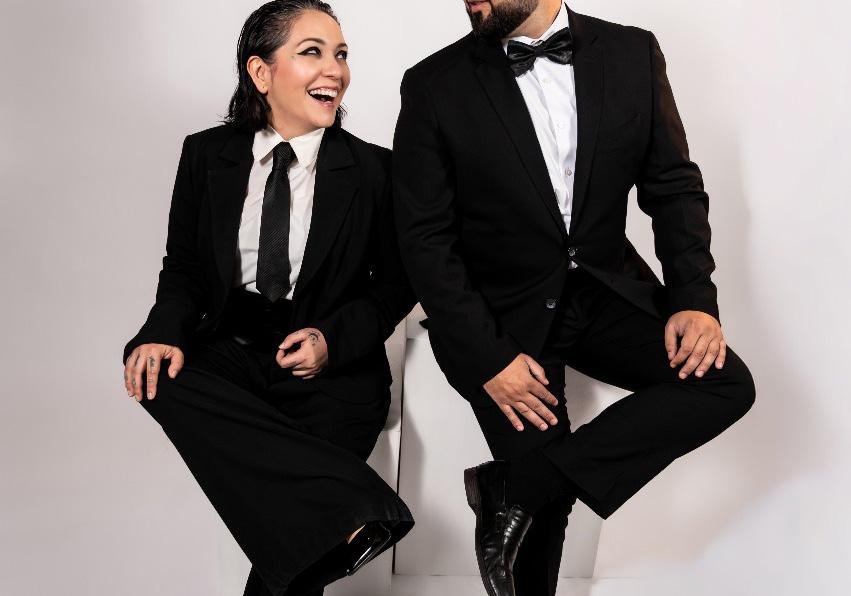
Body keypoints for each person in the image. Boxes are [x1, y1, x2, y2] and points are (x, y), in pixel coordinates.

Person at [392, 1, 755, 595]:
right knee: (543, 519)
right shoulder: (434, 83)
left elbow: (673, 186)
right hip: (498, 316)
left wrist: (694, 298)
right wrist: (488, 358)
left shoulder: (632, 52)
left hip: (601, 291)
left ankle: (518, 486)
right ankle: (530, 488)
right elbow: (424, 239)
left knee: (723, 384)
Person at [121, 2, 414, 595]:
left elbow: (397, 285)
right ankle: (357, 505)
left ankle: (344, 516)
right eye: (312, 52)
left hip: (331, 368)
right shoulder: (206, 155)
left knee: (299, 545)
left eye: (341, 54)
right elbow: (184, 269)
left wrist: (332, 341)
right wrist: (162, 332)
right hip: (235, 347)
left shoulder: (376, 171)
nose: (335, 69)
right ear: (261, 72)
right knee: (156, 372)